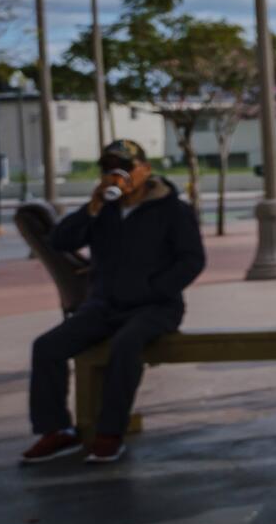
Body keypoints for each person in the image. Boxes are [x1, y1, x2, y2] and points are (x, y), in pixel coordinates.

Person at [22, 140, 205, 466]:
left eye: (124, 167)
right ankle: (57, 430)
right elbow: (60, 241)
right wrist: (91, 208)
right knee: (47, 347)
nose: (116, 175)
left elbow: (192, 261)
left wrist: (152, 290)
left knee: (126, 345)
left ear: (145, 170)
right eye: (109, 169)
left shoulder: (172, 210)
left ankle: (109, 433)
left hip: (157, 307)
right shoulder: (103, 210)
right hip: (104, 306)